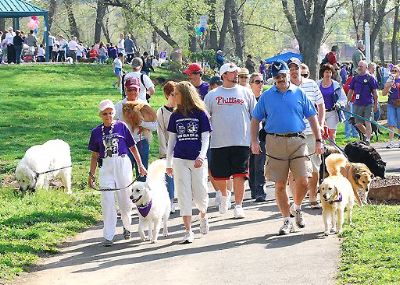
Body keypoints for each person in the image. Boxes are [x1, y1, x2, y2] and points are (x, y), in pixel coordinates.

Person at [250, 60, 324, 235]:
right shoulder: (267, 96)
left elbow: (313, 117)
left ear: (288, 74)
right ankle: (286, 221)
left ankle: (296, 207)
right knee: (280, 184)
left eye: (283, 75)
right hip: (274, 142)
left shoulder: (299, 93)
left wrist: (319, 140)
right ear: (273, 78)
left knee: (305, 180)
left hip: (298, 140)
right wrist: (253, 141)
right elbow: (255, 120)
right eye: (277, 77)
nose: (281, 79)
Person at [88, 99, 147, 247]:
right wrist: (91, 174)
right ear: (100, 115)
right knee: (107, 200)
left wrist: (140, 165)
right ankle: (108, 234)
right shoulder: (96, 132)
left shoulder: (122, 127)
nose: (108, 116)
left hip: (122, 163)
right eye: (105, 114)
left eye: (110, 113)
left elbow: (132, 147)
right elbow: (95, 155)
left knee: (125, 199)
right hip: (106, 165)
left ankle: (127, 226)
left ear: (114, 113)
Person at [204, 62, 256, 218]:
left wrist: (254, 138)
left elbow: (255, 116)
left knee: (240, 174)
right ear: (224, 75)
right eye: (232, 72)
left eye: (236, 72)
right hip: (219, 142)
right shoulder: (212, 95)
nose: (235, 75)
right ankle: (225, 195)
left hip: (241, 141)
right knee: (220, 175)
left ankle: (238, 205)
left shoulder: (246, 93)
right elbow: (205, 118)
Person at [166, 81, 211, 243]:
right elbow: (171, 141)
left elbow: (206, 137)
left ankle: (203, 214)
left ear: (184, 94)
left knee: (200, 192)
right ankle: (188, 230)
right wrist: (168, 163)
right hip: (180, 159)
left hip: (197, 160)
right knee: (183, 194)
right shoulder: (175, 115)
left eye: (176, 93)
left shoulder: (200, 113)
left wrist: (201, 156)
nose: (173, 96)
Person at [288, 58, 325, 209]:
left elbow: (321, 105)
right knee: (293, 169)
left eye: (295, 68)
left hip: (310, 132)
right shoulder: (285, 86)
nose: (293, 71)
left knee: (314, 167)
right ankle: (295, 199)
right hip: (292, 133)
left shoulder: (311, 84)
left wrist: (321, 125)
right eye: (290, 68)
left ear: (299, 69)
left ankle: (312, 197)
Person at [115, 78, 157, 182]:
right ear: (125, 90)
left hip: (141, 141)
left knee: (142, 174)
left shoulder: (144, 105)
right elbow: (113, 125)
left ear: (139, 90)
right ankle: (126, 195)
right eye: (130, 90)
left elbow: (155, 126)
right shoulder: (119, 106)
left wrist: (141, 123)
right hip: (125, 143)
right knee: (125, 172)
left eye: (135, 90)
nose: (133, 92)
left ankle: (142, 196)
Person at [156, 81, 177, 212]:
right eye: (172, 94)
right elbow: (160, 131)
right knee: (169, 176)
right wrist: (164, 150)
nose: (174, 97)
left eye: (176, 94)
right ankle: (171, 201)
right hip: (168, 149)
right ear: (166, 95)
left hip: (182, 148)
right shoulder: (162, 112)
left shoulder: (182, 110)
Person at [347, 60, 379, 145]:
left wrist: (376, 104)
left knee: (367, 121)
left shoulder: (370, 78)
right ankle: (368, 134)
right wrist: (348, 101)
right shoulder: (355, 78)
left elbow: (375, 93)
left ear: (366, 67)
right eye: (359, 66)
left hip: (368, 103)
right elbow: (350, 91)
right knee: (358, 123)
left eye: (361, 66)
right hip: (357, 103)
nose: (359, 68)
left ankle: (368, 139)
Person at [248, 73, 266, 202]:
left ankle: (260, 191)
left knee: (259, 163)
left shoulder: (265, 99)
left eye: (261, 82)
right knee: (251, 164)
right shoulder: (247, 98)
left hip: (262, 136)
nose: (260, 84)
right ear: (251, 84)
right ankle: (253, 190)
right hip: (246, 135)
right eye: (257, 82)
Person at [317, 64, 347, 143]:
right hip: (319, 114)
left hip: (332, 112)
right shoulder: (317, 85)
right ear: (322, 73)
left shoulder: (336, 85)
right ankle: (322, 153)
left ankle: (332, 152)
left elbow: (343, 98)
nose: (328, 74)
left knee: (331, 135)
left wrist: (339, 104)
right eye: (326, 72)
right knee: (321, 135)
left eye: (330, 72)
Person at [382, 65, 400, 148]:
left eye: (395, 71)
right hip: (391, 103)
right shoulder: (389, 80)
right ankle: (391, 141)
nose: (394, 72)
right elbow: (383, 93)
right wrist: (388, 84)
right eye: (392, 70)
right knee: (391, 123)